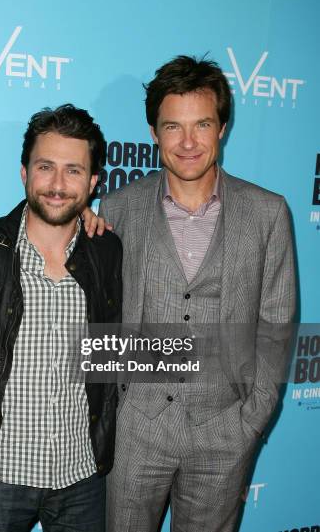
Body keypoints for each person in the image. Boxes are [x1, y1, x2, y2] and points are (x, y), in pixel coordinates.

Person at [99, 55, 296, 532]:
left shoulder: (268, 213)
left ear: (222, 127)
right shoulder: (118, 207)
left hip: (224, 429)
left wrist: (250, 420)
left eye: (202, 124)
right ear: (153, 133)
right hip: (136, 430)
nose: (188, 142)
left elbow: (276, 324)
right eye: (173, 127)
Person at [0, 104, 122, 532]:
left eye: (73, 170)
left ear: (93, 182)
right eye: (45, 167)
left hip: (81, 476)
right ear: (24, 173)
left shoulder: (106, 252)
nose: (58, 184)